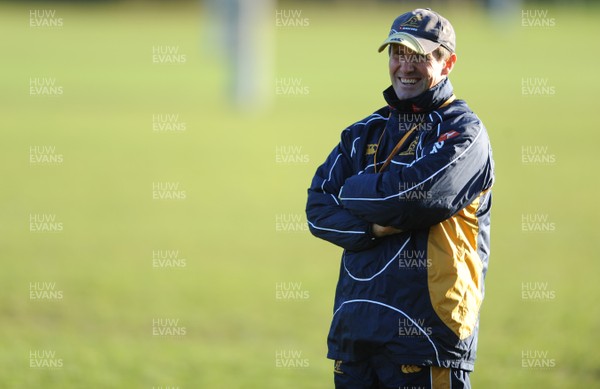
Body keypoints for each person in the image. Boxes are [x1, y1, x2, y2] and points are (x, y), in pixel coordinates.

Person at [306, 8, 494, 389]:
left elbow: (411, 199)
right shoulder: (363, 132)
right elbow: (317, 210)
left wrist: (353, 189)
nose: (405, 66)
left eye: (420, 56)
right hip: (355, 334)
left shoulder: (465, 133)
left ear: (448, 62)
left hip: (427, 338)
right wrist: (374, 227)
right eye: (397, 53)